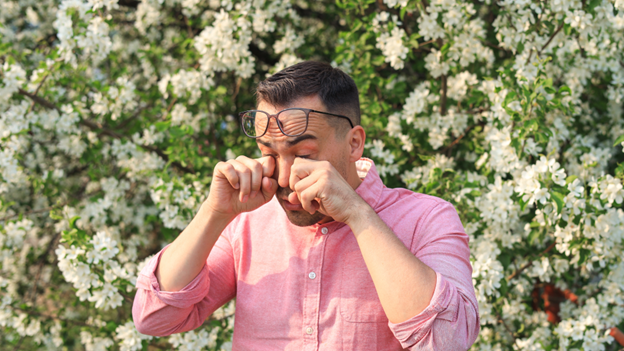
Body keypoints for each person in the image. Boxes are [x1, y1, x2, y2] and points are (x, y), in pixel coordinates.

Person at [132, 61, 480, 350]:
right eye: (269, 152)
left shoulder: (426, 218)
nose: (283, 176)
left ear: (354, 143)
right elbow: (155, 316)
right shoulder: (247, 222)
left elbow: (447, 341)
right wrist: (214, 212)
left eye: (302, 154)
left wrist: (358, 214)